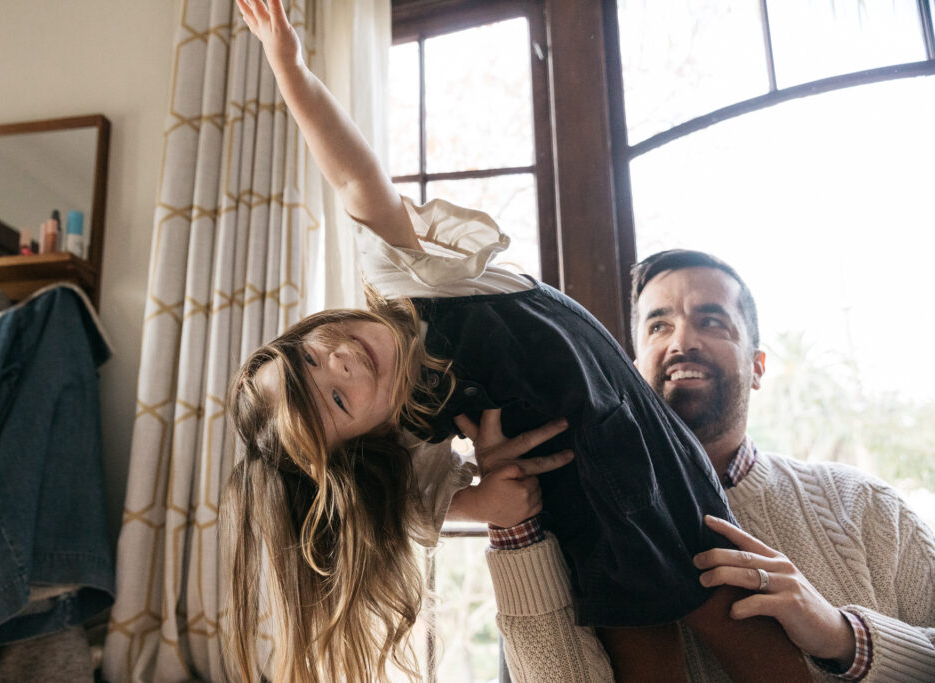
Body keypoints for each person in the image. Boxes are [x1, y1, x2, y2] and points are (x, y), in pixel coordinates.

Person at [223, 3, 807, 681]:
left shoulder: (410, 276)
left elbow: (354, 175)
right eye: (334, 396)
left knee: (739, 618)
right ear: (362, 439)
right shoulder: (411, 432)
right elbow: (404, 510)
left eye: (312, 352)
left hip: (645, 451)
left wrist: (290, 70)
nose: (340, 359)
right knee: (648, 657)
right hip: (585, 515)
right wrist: (483, 500)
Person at [485, 249, 935, 681]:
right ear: (633, 368)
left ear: (758, 367)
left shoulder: (869, 508)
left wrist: (842, 636)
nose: (682, 342)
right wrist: (514, 529)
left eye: (711, 321)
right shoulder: (571, 522)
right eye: (658, 326)